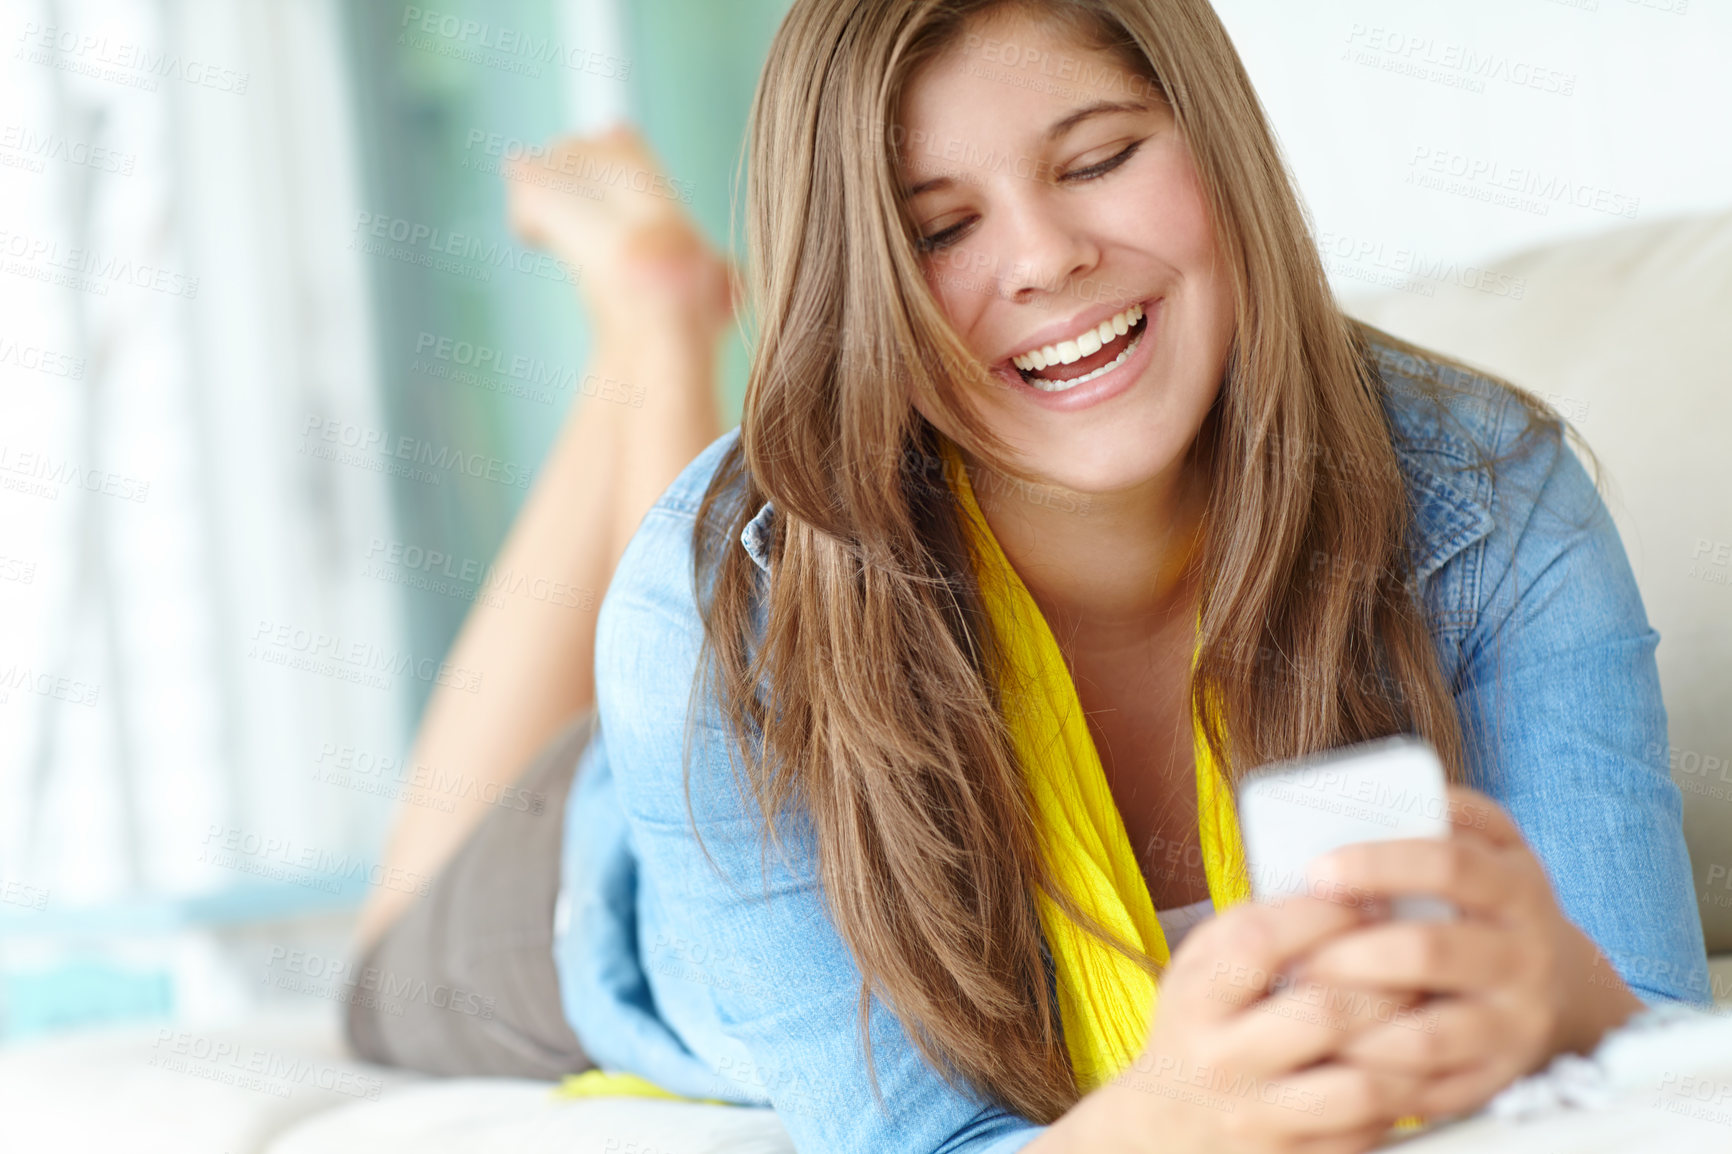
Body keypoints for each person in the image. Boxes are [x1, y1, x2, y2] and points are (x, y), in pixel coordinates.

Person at [346, 1, 1710, 1151]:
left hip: (741, 643)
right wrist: (1173, 1119)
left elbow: (1642, 1040)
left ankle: (668, 330)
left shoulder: (1489, 495)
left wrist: (1571, 1000)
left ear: (1216, 147)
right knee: (386, 950)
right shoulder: (712, 615)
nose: (1049, 256)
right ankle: (652, 323)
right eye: (940, 229)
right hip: (604, 876)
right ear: (862, 291)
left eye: (1101, 156)